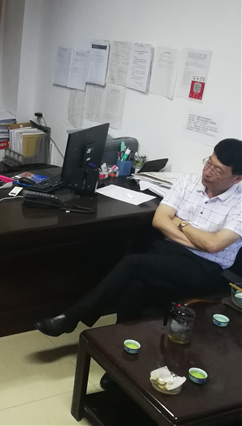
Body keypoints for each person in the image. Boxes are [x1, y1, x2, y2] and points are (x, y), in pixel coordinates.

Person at [35, 138, 242, 337]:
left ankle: (71, 318)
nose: (207, 172)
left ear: (237, 178)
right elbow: (159, 220)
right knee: (135, 285)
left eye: (217, 171)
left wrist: (180, 222)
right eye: (209, 163)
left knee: (132, 264)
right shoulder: (188, 182)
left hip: (205, 268)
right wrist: (199, 241)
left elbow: (213, 246)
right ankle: (122, 342)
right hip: (169, 252)